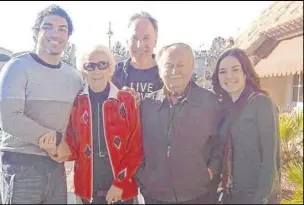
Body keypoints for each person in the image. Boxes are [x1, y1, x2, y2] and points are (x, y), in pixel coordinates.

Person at [0, 5, 83, 204]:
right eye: (48, 27)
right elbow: (10, 119)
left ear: (68, 36)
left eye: (62, 29)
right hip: (21, 166)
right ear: (36, 33)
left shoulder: (73, 77)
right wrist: (57, 140)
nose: (56, 33)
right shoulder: (17, 67)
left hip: (56, 168)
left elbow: (79, 119)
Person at [41, 45, 143, 204]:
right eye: (90, 65)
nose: (97, 70)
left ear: (110, 69)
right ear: (83, 71)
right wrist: (53, 149)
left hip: (121, 188)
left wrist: (119, 183)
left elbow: (135, 146)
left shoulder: (126, 100)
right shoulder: (77, 103)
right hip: (88, 189)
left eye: (103, 64)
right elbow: (73, 148)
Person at [137, 42, 222, 204]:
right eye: (168, 65)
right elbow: (136, 145)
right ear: (160, 70)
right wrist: (144, 178)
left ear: (192, 68)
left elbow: (220, 142)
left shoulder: (209, 102)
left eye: (181, 65)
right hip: (155, 196)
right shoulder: (147, 105)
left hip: (199, 195)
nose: (175, 71)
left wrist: (210, 172)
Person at [212, 48, 281, 204]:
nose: (229, 76)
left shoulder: (261, 103)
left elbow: (271, 158)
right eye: (222, 71)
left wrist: (261, 198)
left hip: (257, 195)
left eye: (235, 69)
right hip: (231, 194)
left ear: (245, 72)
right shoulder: (224, 108)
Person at [112, 11, 163, 100]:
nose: (140, 45)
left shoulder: (167, 73)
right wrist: (120, 99)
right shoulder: (115, 73)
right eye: (134, 38)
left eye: (146, 38)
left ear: (155, 41)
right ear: (127, 42)